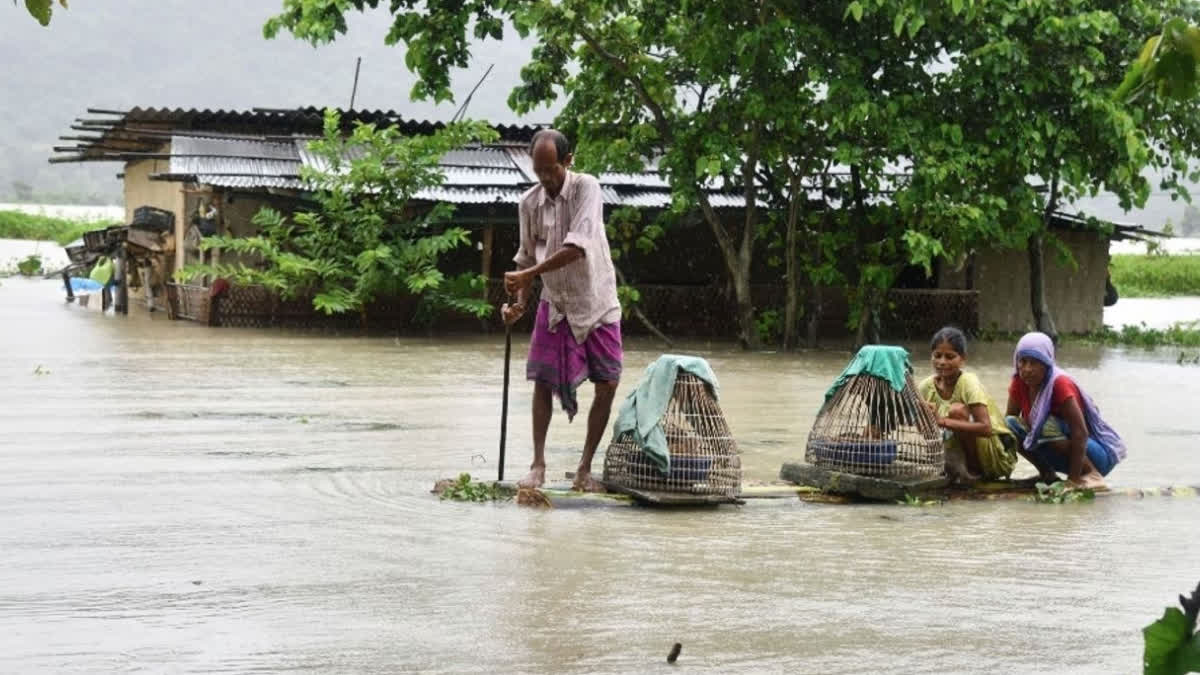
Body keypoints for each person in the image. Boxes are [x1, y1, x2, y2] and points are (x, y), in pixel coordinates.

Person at [502, 129, 622, 492]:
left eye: (550, 170)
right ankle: (537, 465)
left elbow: (577, 247)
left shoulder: (587, 187)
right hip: (555, 304)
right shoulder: (529, 203)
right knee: (541, 379)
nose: (544, 178)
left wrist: (528, 274)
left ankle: (585, 469)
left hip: (595, 299)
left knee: (608, 383)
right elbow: (525, 255)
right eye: (538, 171)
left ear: (568, 162)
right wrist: (517, 303)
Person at [1004, 332, 1126, 489]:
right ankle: (1047, 474)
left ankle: (1092, 474)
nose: (1027, 369)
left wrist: (1072, 481)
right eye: (1023, 361)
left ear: (1047, 363)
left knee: (1044, 424)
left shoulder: (1059, 384)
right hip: (1063, 455)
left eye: (1034, 363)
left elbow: (1080, 433)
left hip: (1094, 455)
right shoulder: (1019, 381)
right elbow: (1009, 426)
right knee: (1009, 425)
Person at [917, 326, 1017, 483]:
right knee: (923, 414)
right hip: (954, 454)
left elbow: (986, 428)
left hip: (993, 456)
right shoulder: (926, 386)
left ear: (962, 359)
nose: (942, 362)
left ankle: (973, 471)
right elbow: (909, 416)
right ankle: (947, 468)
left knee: (957, 411)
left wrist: (942, 421)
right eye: (937, 356)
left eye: (950, 357)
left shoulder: (968, 382)